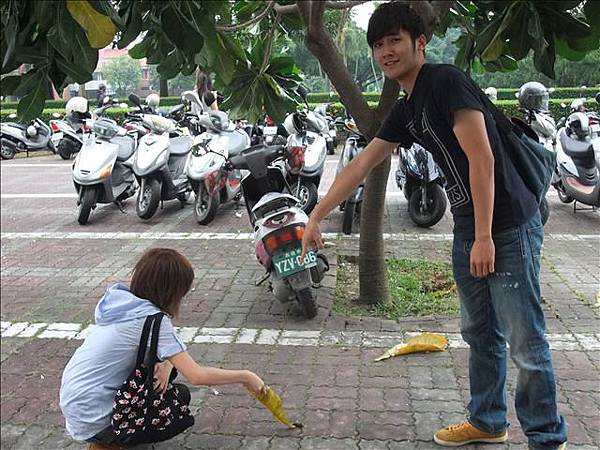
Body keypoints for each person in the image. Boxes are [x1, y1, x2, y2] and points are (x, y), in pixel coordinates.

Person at [301, 2, 567, 450]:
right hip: (469, 225)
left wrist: (484, 237)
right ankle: (487, 420)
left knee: (524, 337)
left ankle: (546, 437)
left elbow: (481, 158)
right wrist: (317, 214)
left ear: (419, 43)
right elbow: (363, 163)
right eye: (378, 45)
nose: (386, 51)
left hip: (505, 225)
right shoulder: (407, 108)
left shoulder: (445, 82)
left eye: (395, 41)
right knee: (479, 332)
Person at [60, 248, 265, 450]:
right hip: (94, 418)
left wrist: (165, 362)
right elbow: (197, 376)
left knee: (169, 386)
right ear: (172, 291)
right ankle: (110, 441)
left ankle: (106, 441)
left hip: (75, 405)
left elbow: (154, 344)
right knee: (178, 398)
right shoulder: (152, 319)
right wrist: (246, 376)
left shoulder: (122, 305)